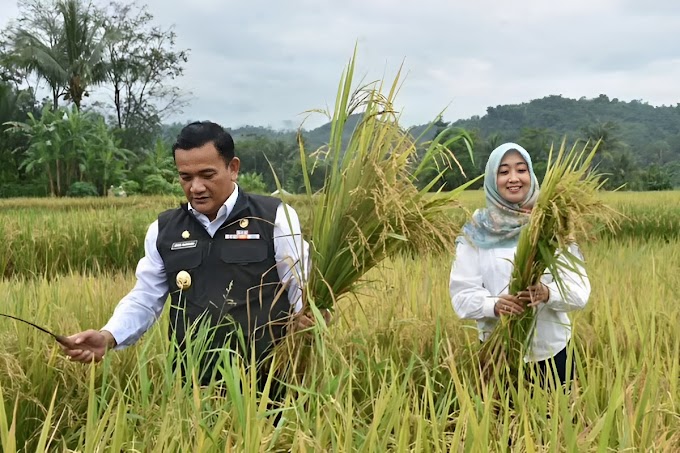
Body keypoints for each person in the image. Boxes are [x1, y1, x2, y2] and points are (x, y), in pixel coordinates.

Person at [61, 121, 320, 388]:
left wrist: (309, 320)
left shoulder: (274, 217)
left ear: (233, 168)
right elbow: (146, 298)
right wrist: (109, 336)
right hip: (193, 383)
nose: (196, 187)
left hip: (270, 381)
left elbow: (301, 287)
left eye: (207, 175)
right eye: (186, 177)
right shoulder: (164, 230)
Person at [449, 143, 591, 388]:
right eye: (503, 172)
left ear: (531, 175)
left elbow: (579, 291)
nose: (513, 178)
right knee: (496, 424)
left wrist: (548, 293)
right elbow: (461, 296)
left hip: (552, 353)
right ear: (492, 179)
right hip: (497, 353)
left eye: (521, 170)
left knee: (557, 423)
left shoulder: (552, 224)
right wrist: (494, 305)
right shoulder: (477, 230)